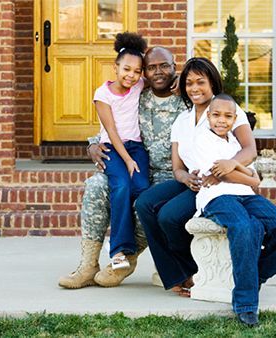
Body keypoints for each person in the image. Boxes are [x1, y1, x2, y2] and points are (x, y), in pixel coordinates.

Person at [58, 47, 186, 288]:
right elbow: (114, 123)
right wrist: (93, 146)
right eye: (151, 68)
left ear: (174, 66)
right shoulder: (139, 93)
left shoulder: (186, 97)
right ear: (145, 73)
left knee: (144, 200)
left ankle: (127, 257)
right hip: (135, 163)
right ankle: (88, 264)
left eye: (165, 66)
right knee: (96, 185)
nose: (158, 72)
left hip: (171, 175)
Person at [134, 57, 257, 297]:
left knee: (169, 216)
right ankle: (174, 273)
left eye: (200, 82)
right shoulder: (182, 119)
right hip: (193, 182)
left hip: (220, 184)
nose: (194, 88)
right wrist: (185, 179)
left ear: (212, 83)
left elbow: (250, 150)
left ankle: (192, 271)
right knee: (145, 203)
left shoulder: (228, 112)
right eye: (189, 83)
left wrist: (227, 166)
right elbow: (177, 167)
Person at [192, 93, 276, 326]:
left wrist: (235, 165)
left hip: (246, 196)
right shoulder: (202, 139)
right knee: (245, 227)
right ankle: (246, 304)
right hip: (218, 198)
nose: (222, 120)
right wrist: (242, 173)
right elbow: (236, 176)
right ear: (208, 116)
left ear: (235, 119)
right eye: (216, 115)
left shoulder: (235, 142)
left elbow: (250, 176)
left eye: (228, 116)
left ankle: (255, 275)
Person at [93, 32, 150, 270]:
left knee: (141, 188)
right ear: (115, 67)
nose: (131, 75)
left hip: (136, 147)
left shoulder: (139, 86)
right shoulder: (102, 94)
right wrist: (126, 160)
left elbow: (163, 82)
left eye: (137, 72)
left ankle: (132, 241)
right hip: (113, 150)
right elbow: (111, 130)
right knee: (121, 187)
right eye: (126, 69)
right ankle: (118, 250)